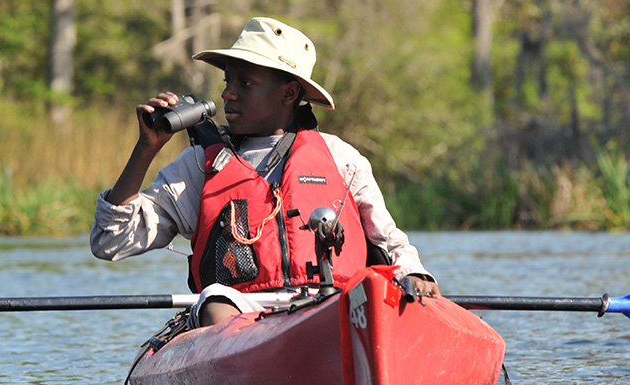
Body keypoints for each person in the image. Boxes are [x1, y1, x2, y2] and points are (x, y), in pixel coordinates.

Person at [90, 17, 440, 328]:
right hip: (238, 314)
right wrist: (145, 149)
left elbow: (390, 242)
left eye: (246, 83)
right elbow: (110, 241)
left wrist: (415, 273)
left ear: (289, 92)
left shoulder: (342, 160)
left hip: (333, 307)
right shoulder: (199, 166)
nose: (227, 94)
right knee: (215, 299)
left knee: (368, 294)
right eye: (228, 81)